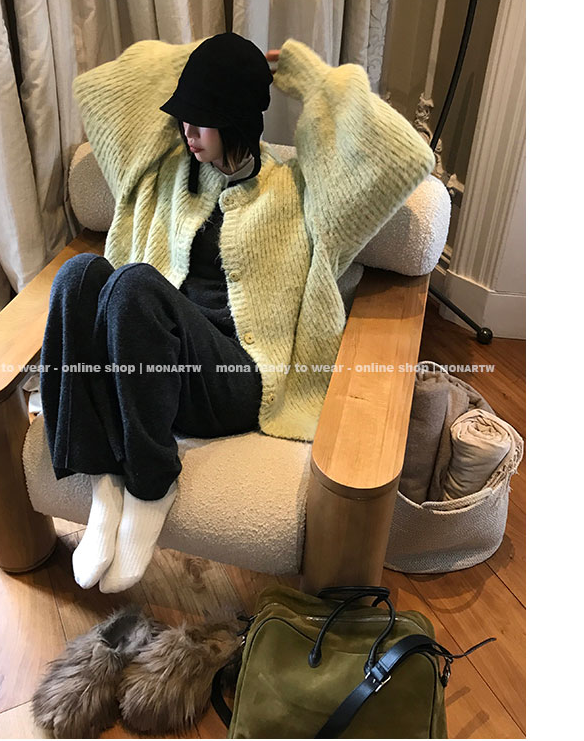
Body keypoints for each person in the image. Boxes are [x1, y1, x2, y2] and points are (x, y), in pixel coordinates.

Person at [40, 32, 435, 595]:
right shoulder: (161, 174)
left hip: (235, 378)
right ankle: (106, 480)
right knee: (79, 275)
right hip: (146, 363)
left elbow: (400, 154)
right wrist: (206, 62)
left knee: (133, 285)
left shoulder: (303, 193)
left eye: (202, 120)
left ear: (238, 119)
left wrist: (303, 73)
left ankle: (151, 486)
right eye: (184, 117)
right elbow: (102, 93)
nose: (187, 132)